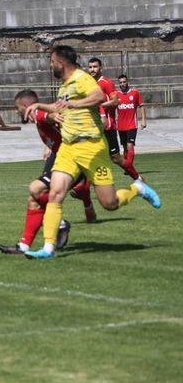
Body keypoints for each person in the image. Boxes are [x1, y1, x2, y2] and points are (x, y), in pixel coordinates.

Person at [22, 46, 161, 259]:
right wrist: (41, 105)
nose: (50, 66)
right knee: (55, 194)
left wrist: (74, 103)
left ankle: (137, 189)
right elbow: (62, 107)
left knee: (110, 203)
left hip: (92, 147)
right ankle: (48, 249)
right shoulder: (65, 86)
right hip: (68, 148)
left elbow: (97, 96)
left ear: (61, 63)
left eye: (52, 62)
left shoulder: (82, 78)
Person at [0, 89, 94, 255]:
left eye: (17, 107)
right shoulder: (38, 116)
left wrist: (51, 116)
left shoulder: (37, 112)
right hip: (61, 157)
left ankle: (61, 224)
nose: (17, 111)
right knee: (33, 200)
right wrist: (49, 146)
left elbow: (46, 116)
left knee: (35, 188)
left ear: (26, 106)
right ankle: (24, 246)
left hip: (74, 160)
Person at [86, 57, 142, 181]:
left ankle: (137, 177)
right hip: (93, 126)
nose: (92, 69)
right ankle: (83, 187)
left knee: (116, 157)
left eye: (95, 67)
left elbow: (115, 101)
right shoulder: (87, 82)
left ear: (101, 68)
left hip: (107, 126)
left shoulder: (106, 83)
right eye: (90, 67)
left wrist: (99, 105)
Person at [115, 74, 146, 170]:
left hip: (132, 124)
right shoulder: (116, 95)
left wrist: (143, 120)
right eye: (121, 82)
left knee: (130, 146)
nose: (123, 84)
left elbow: (141, 105)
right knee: (124, 148)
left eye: (124, 82)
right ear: (119, 84)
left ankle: (129, 168)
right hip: (120, 126)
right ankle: (128, 166)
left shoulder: (135, 93)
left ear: (127, 82)